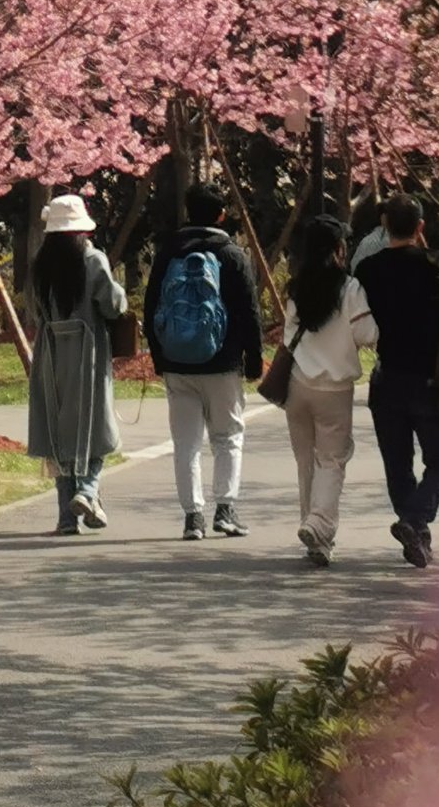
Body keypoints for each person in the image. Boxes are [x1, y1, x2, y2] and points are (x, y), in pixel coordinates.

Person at [143, 181, 265, 540]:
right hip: (224, 363)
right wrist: (254, 356)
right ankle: (225, 510)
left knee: (186, 443)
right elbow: (249, 310)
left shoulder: (169, 253)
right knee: (227, 437)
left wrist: (158, 355)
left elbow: (152, 308)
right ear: (221, 215)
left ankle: (192, 517)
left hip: (178, 364)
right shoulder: (232, 254)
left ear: (188, 212)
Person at [343, 194, 439, 568]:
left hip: (387, 377)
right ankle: (415, 520)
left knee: (397, 462)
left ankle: (416, 531)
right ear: (421, 226)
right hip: (429, 380)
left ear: (384, 225)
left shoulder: (369, 270)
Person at [26, 193, 126, 533]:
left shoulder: (41, 266)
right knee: (95, 425)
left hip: (50, 352)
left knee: (59, 431)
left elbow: (35, 311)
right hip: (87, 352)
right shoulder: (92, 259)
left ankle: (66, 517)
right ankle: (88, 490)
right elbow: (112, 305)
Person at [279, 216, 375, 567]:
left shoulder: (297, 287)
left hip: (297, 385)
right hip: (334, 389)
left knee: (306, 463)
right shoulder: (349, 289)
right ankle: (319, 525)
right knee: (331, 460)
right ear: (338, 249)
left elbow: (289, 337)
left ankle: (314, 537)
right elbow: (367, 334)